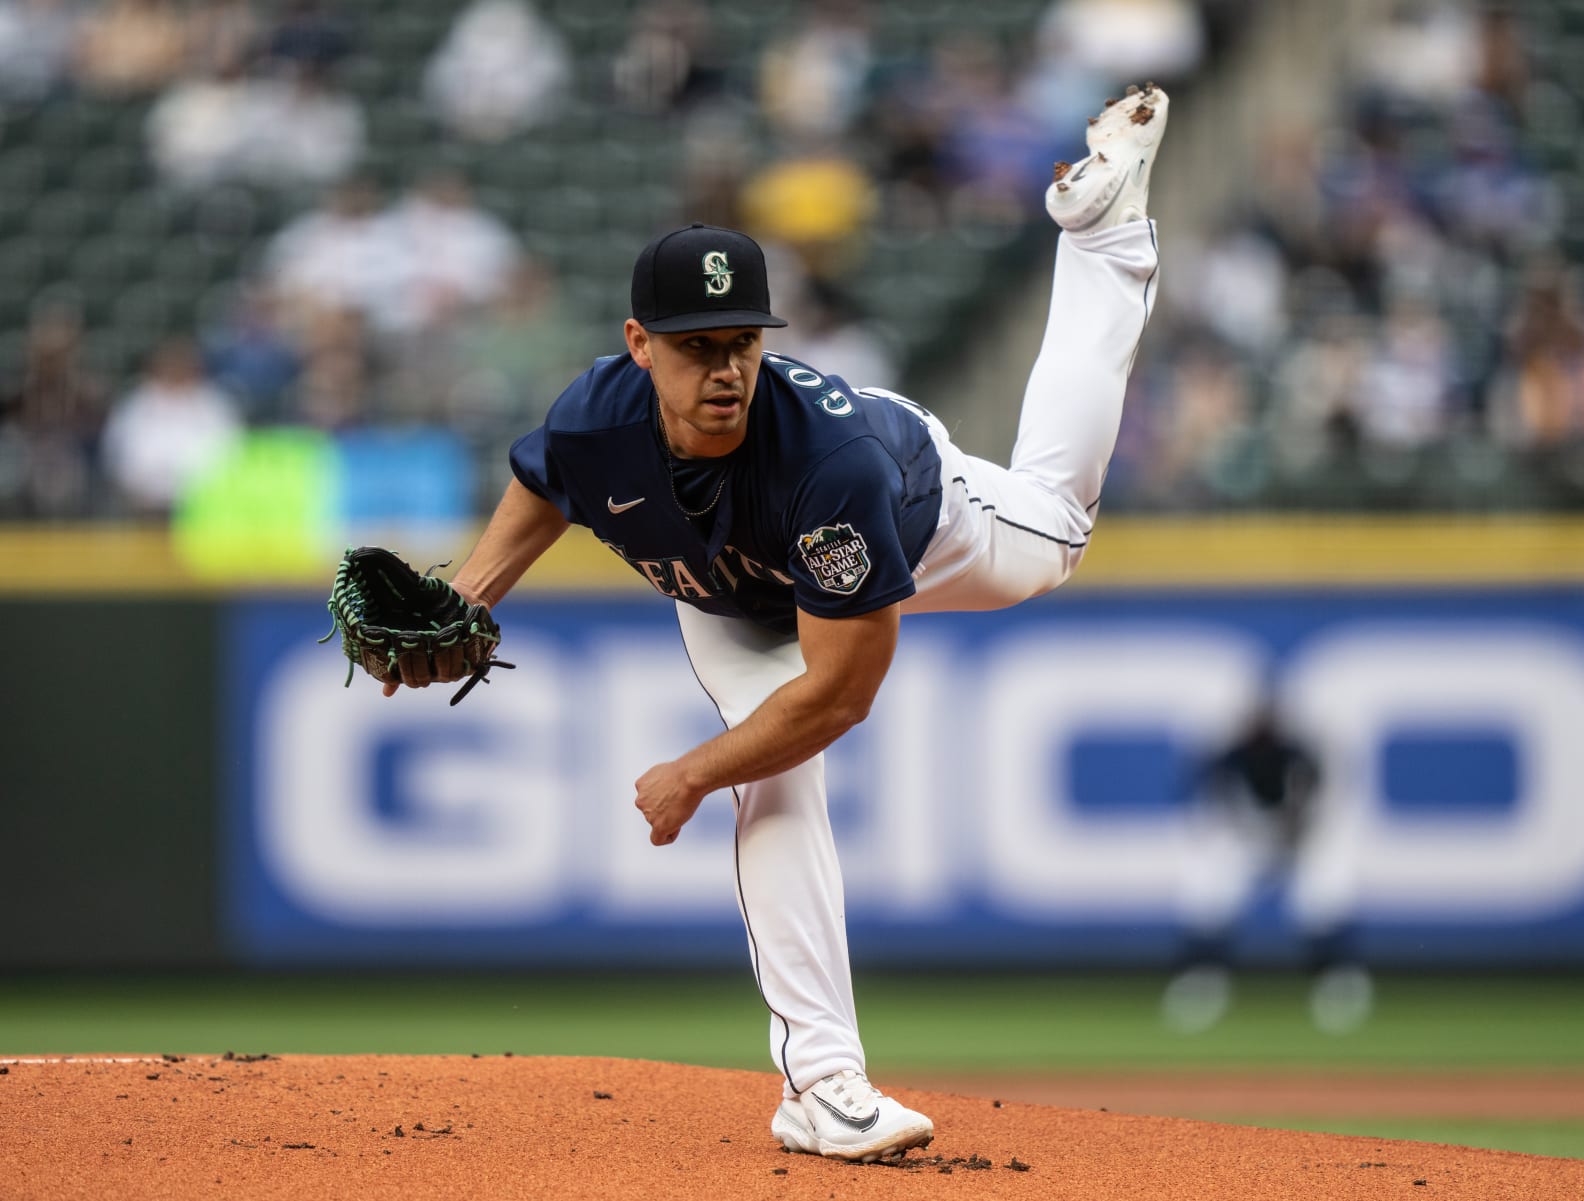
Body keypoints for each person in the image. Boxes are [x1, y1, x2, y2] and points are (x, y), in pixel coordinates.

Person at [394, 85, 1168, 1162]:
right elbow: (544, 484)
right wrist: (466, 599)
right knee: (777, 773)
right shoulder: (594, 414)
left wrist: (696, 769)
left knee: (1056, 538)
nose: (723, 369)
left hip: (915, 509)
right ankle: (825, 1083)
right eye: (694, 344)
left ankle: (1103, 233)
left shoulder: (828, 468)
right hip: (725, 598)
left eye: (741, 341)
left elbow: (842, 693)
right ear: (637, 345)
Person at [1162, 701, 1372, 1035]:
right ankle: (1202, 979)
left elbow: (1317, 805)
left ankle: (1337, 981)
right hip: (1246, 840)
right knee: (1206, 884)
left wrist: (1296, 831)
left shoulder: (1297, 755)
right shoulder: (1230, 758)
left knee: (1326, 886)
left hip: (1297, 841)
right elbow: (1210, 808)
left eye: (1267, 723)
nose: (1261, 730)